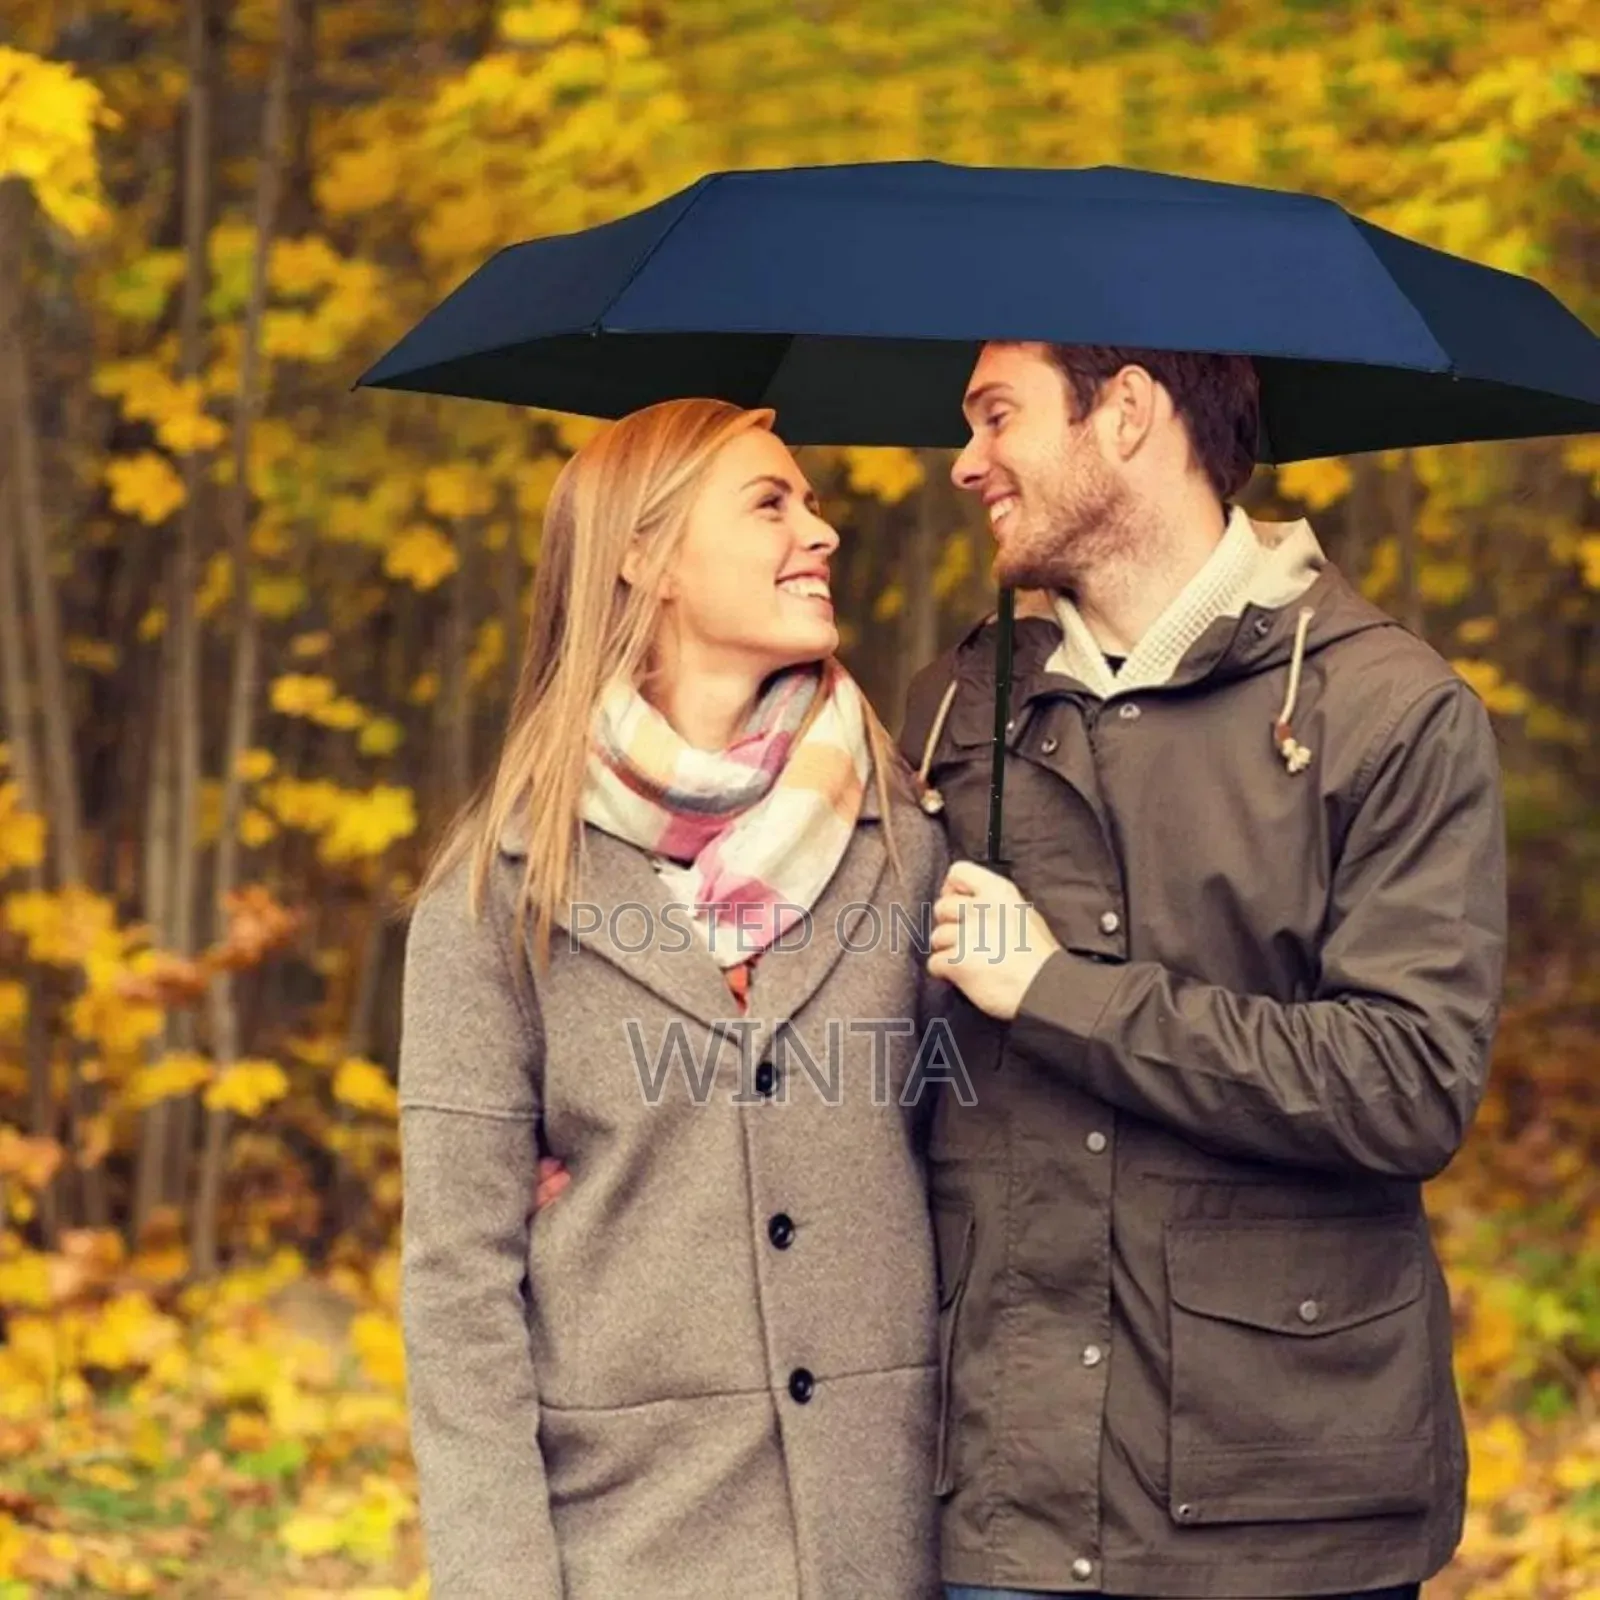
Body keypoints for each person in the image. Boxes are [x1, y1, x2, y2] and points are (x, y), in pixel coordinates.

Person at [900, 340, 1507, 1600]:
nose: (965, 464)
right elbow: (878, 1050)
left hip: (1287, 1505)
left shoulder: (1388, 709)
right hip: (1003, 1498)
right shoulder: (955, 712)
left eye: (996, 416)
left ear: (1124, 411)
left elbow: (1405, 1082)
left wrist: (1061, 991)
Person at [397, 398, 951, 1599]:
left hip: (898, 1535)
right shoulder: (498, 889)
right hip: (635, 1543)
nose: (823, 532)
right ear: (645, 556)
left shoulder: (913, 843)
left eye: (810, 500)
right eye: (771, 502)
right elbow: (458, 1282)